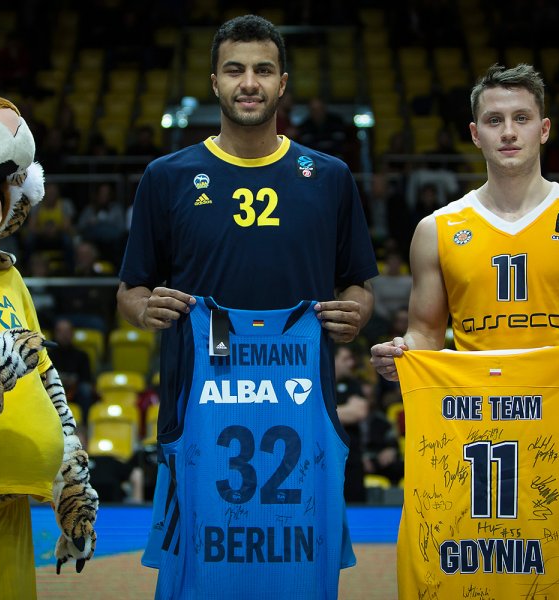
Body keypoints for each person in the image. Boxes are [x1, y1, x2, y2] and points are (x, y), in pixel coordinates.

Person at [117, 14, 377, 600]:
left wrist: (355, 314)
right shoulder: (167, 177)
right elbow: (130, 291)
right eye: (235, 70)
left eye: (263, 70)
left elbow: (360, 286)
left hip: (301, 411)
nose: (249, 82)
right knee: (199, 577)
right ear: (214, 81)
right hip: (197, 413)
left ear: (283, 82)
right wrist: (145, 310)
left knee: (298, 574)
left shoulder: (330, 177)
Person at [371, 63, 559, 597]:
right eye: (494, 120)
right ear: (475, 134)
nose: (508, 131)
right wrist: (404, 353)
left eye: (522, 118)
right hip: (479, 435)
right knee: (478, 580)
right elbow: (426, 332)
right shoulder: (438, 230)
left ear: (544, 128)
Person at [333, 345, 369, 503]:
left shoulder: (353, 384)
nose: (351, 363)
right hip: (325, 459)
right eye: (345, 359)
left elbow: (357, 412)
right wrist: (343, 411)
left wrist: (322, 414)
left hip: (352, 461)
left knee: (356, 509)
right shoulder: (316, 383)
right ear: (331, 360)